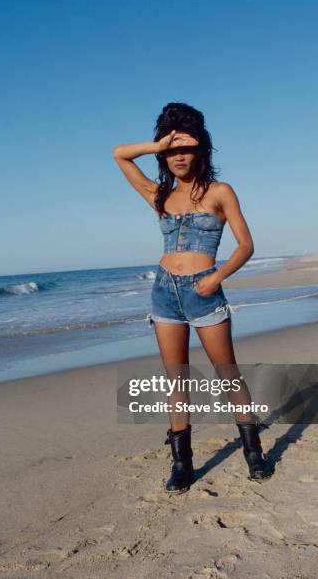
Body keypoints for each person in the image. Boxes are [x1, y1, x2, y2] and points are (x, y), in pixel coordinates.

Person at [113, 102, 272, 494]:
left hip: (205, 291)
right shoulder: (159, 195)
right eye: (171, 150)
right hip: (165, 293)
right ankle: (182, 463)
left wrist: (216, 277)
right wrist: (160, 143)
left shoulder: (220, 192)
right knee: (176, 378)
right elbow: (119, 154)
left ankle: (254, 452)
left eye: (185, 148)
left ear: (202, 149)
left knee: (227, 372)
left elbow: (246, 245)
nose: (178, 156)